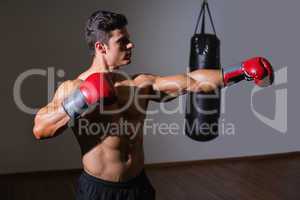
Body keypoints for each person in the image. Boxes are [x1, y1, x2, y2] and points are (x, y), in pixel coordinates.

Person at [33, 10, 274, 200]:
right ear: (101, 47)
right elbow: (41, 128)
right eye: (122, 41)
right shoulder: (73, 88)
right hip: (99, 190)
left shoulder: (141, 83)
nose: (131, 45)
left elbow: (193, 82)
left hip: (138, 185)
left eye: (129, 39)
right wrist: (82, 99)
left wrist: (241, 71)